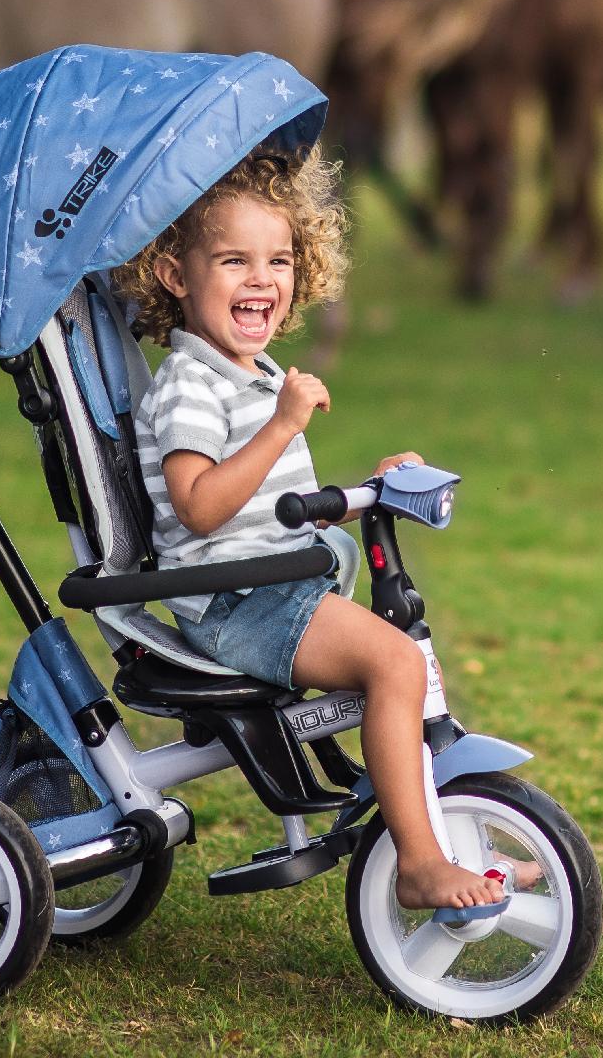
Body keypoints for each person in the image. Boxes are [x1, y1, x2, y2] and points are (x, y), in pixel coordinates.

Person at [115, 148, 509, 912]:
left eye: (280, 259)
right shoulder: (192, 385)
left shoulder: (251, 372)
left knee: (398, 666)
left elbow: (279, 499)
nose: (262, 279)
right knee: (396, 666)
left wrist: (372, 482)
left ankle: (454, 836)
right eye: (234, 260)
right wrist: (282, 424)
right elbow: (199, 505)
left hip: (272, 585)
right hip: (235, 605)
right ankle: (421, 863)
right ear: (175, 276)